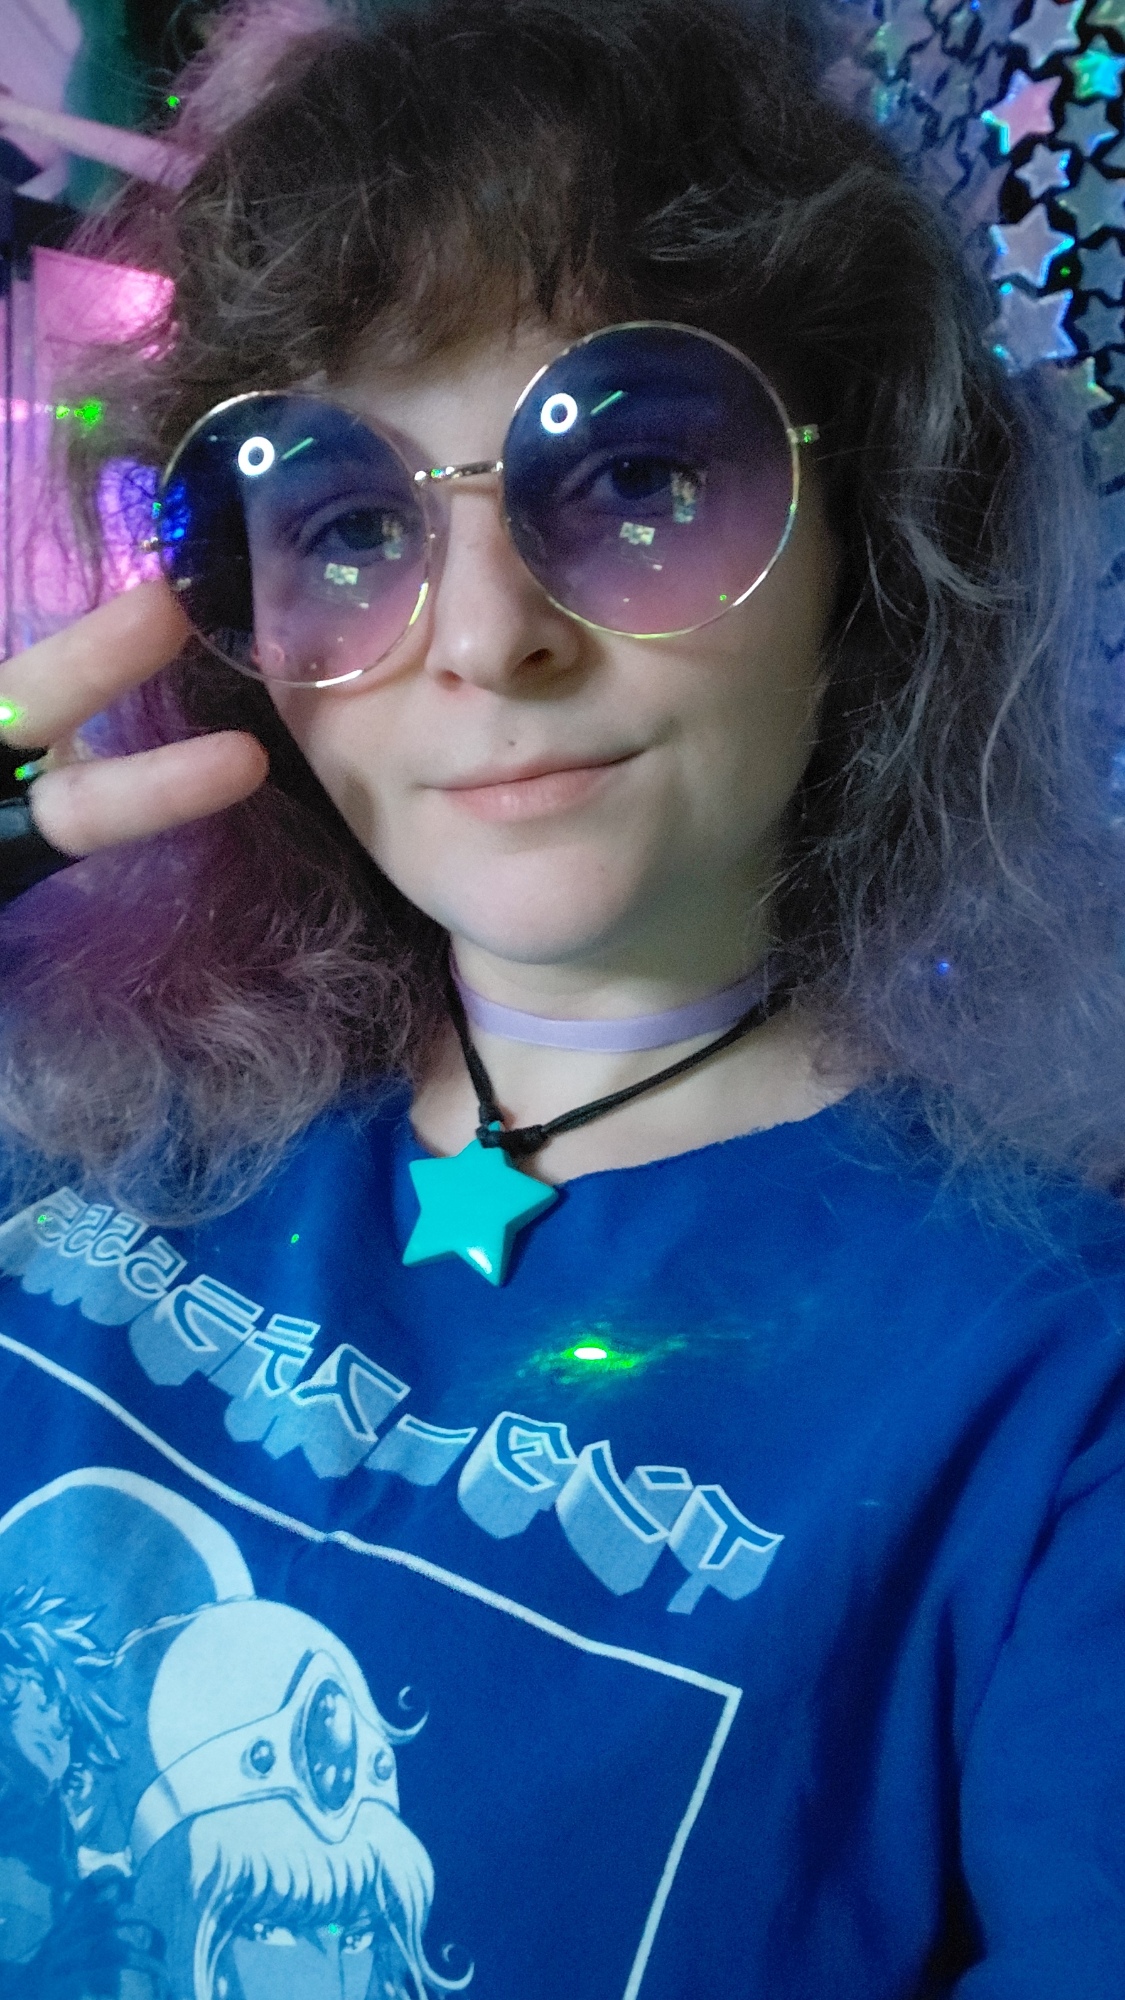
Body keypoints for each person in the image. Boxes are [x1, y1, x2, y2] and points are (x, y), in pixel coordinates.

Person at [0, 0, 1123, 1992]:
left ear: (867, 529)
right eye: (351, 521)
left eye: (637, 474)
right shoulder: (77, 1081)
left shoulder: (1053, 1393)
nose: (489, 636)